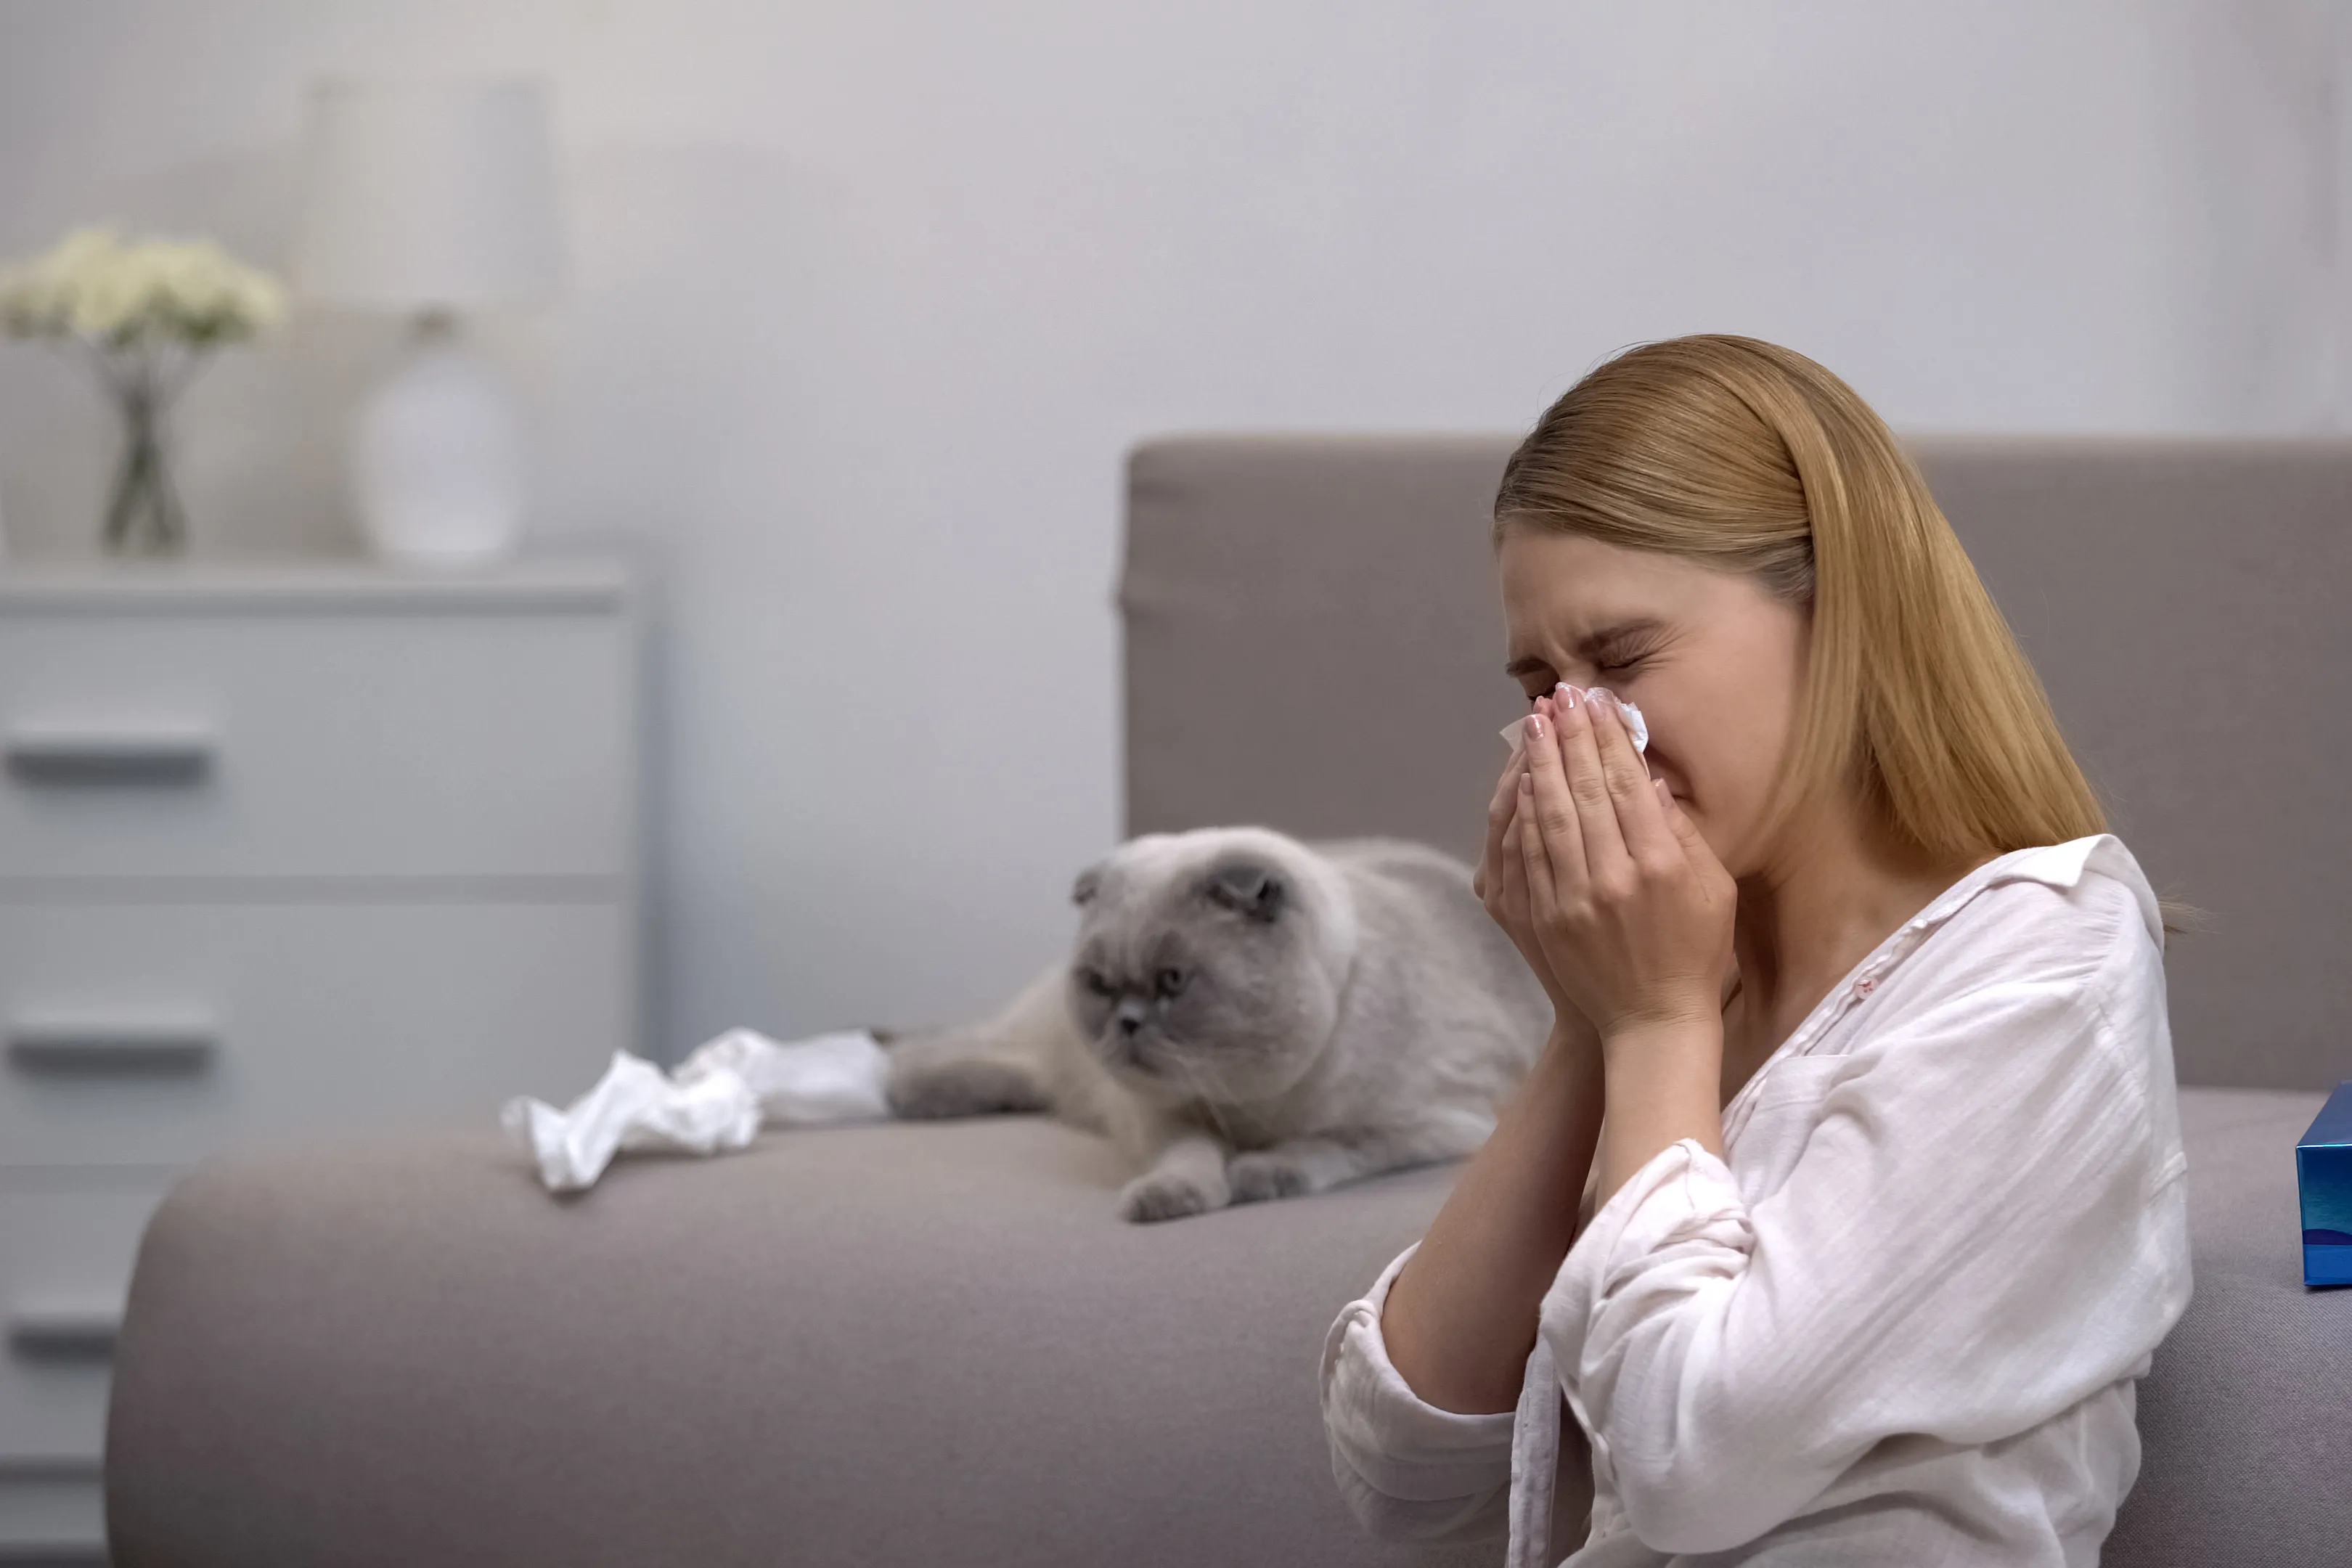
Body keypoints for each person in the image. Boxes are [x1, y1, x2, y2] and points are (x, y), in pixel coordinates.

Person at [1317, 335, 2194, 1567]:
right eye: (1539, 687)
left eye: (1621, 659)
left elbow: (1690, 1458)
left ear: (1840, 620)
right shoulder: (1687, 974)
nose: (1578, 735)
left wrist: (1653, 1023)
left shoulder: (2043, 963)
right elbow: (1406, 1479)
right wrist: (1589, 1022)